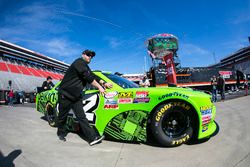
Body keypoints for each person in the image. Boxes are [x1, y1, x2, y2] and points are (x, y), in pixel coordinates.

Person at [57, 49, 113, 146]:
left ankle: (92, 138)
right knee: (62, 117)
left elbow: (93, 75)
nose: (90, 57)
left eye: (91, 56)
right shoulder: (78, 62)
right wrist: (100, 87)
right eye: (88, 55)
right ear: (83, 54)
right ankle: (60, 133)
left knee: (82, 117)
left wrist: (104, 83)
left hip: (75, 96)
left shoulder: (85, 66)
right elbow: (88, 77)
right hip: (65, 95)